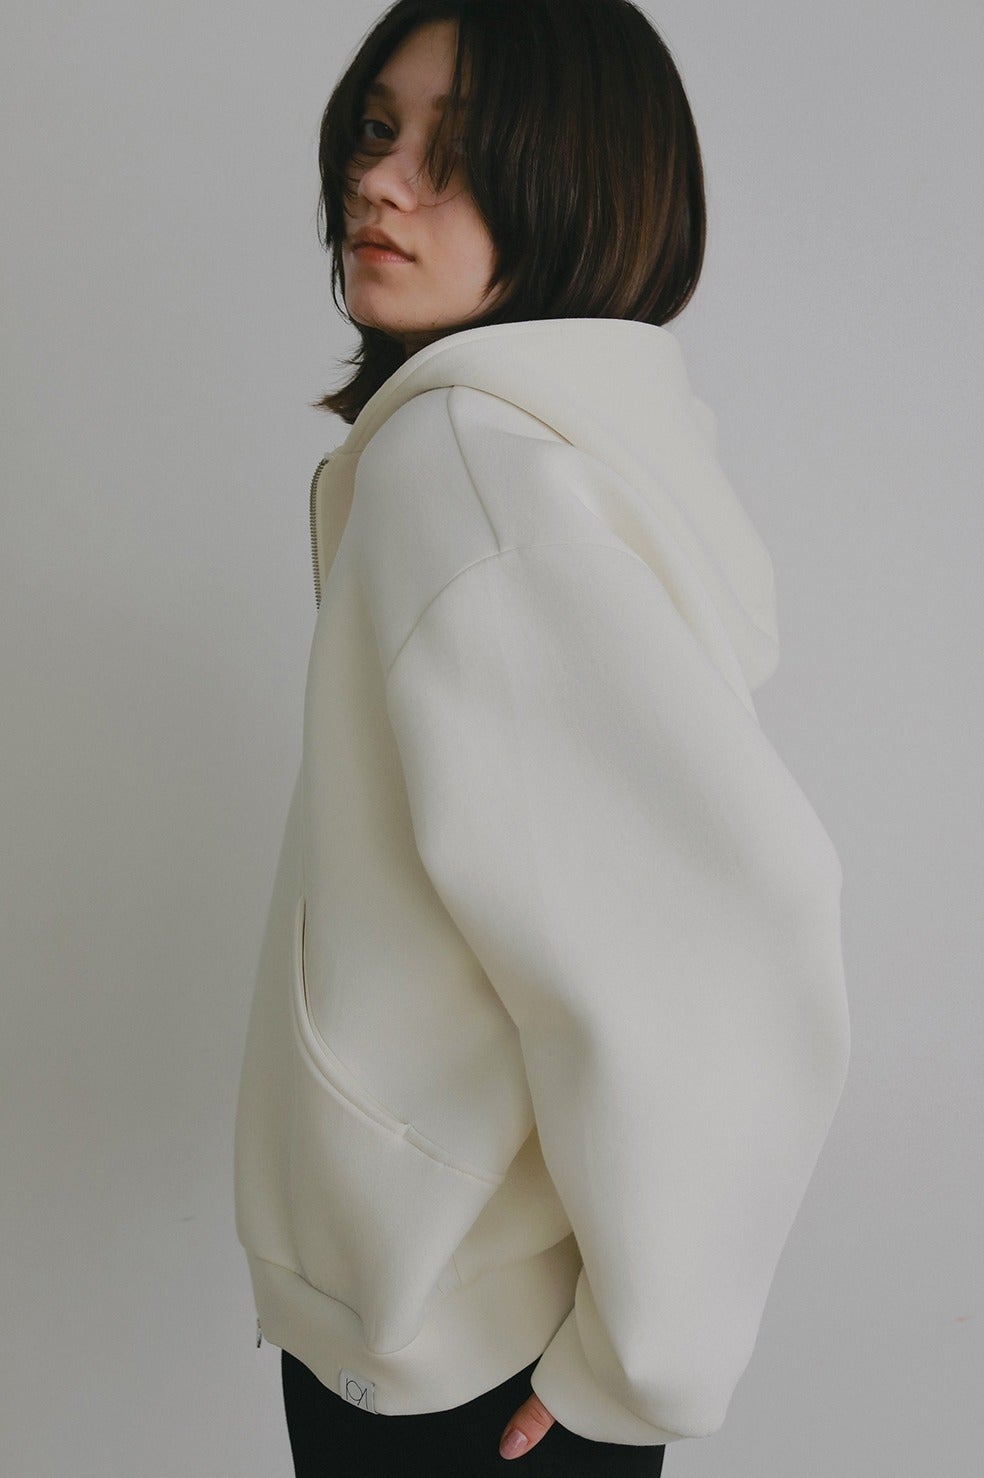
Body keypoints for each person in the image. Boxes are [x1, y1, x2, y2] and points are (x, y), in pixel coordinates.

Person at [232, 1, 852, 1473]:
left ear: (579, 184)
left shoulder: (464, 469)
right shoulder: (556, 447)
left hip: (465, 1357)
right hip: (501, 1315)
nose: (381, 182)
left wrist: (638, 1366)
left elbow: (735, 928)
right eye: (377, 129)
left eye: (457, 151)